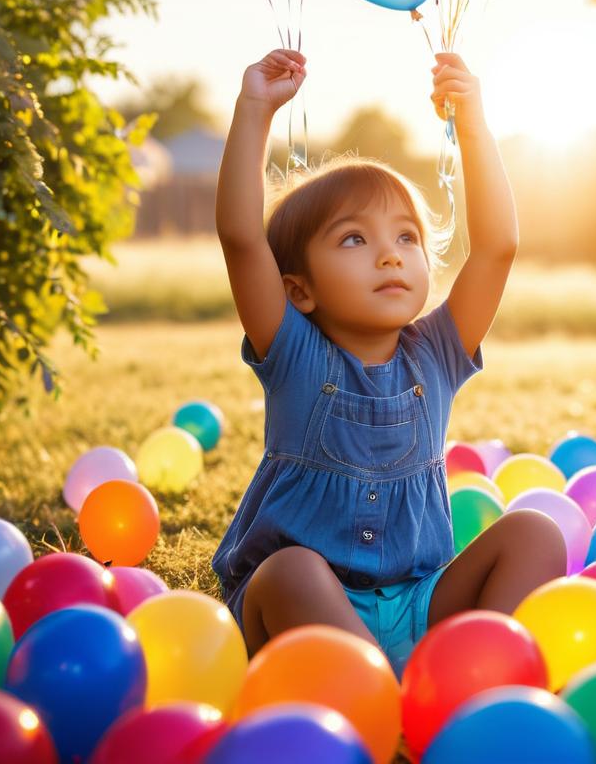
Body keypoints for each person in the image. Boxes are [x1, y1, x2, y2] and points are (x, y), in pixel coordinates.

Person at [211, 47, 566, 677]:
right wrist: (254, 110)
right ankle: (378, 700)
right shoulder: (294, 352)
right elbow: (241, 240)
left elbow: (497, 246)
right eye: (355, 239)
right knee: (293, 569)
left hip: (419, 603)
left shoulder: (436, 353)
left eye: (407, 237)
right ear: (299, 290)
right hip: (306, 613)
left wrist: (473, 120)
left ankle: (472, 679)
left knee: (536, 533)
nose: (390, 256)